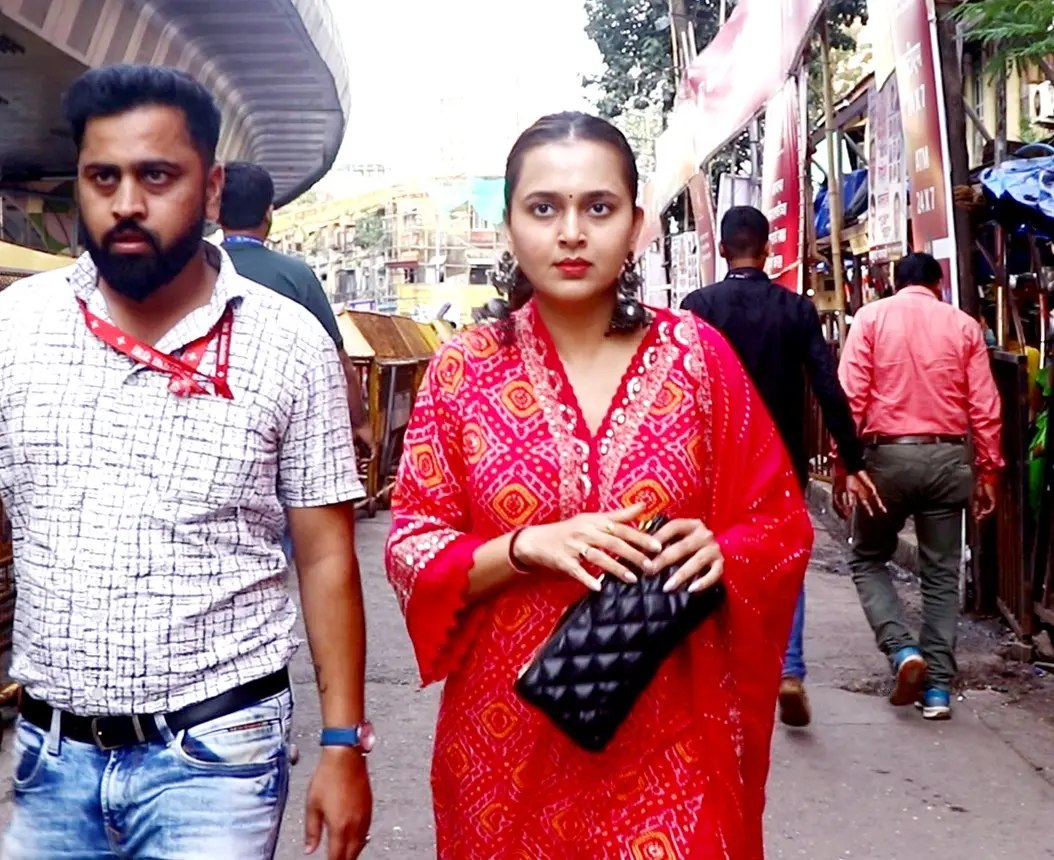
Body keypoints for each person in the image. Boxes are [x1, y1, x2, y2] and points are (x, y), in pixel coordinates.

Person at [385, 112, 813, 859]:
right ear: (511, 226)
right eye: (544, 208)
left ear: (637, 223)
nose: (572, 232)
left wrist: (724, 549)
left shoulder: (695, 358)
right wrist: (526, 547)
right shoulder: (463, 371)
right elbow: (413, 547)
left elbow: (777, 519)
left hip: (669, 736)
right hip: (505, 747)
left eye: (599, 207)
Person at [0, 65, 373, 858]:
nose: (127, 203)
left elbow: (327, 554)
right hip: (48, 759)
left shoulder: (289, 345)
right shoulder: (13, 332)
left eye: (156, 176)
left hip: (217, 760)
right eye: (104, 177)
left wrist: (342, 743)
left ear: (211, 190)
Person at [681, 205, 879, 729]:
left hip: (715, 461)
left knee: (710, 557)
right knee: (784, 556)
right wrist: (851, 458)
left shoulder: (697, 307)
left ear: (723, 249)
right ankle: (788, 669)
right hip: (779, 460)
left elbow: (678, 392)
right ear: (766, 249)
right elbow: (827, 385)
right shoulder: (795, 309)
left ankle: (720, 668)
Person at [838, 252, 1003, 721]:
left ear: (894, 283)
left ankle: (901, 650)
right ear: (938, 284)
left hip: (885, 459)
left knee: (867, 557)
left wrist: (844, 465)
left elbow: (850, 396)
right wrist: (988, 470)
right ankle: (937, 691)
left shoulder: (870, 319)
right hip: (948, 458)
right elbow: (985, 404)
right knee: (940, 574)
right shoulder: (964, 326)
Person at [218, 162, 375, 460]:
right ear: (268, 211)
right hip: (282, 430)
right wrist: (360, 423)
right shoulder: (296, 276)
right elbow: (340, 363)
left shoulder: (193, 272)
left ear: (215, 209)